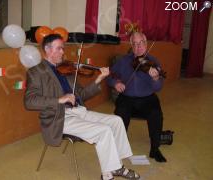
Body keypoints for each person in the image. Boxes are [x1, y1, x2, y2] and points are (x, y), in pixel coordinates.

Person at [24, 34, 140, 180]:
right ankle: (108, 174)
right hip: (59, 117)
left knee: (116, 121)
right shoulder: (36, 72)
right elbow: (29, 101)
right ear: (47, 49)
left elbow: (82, 95)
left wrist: (99, 78)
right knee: (103, 131)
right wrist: (59, 99)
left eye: (63, 49)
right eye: (59, 48)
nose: (62, 52)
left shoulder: (66, 69)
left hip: (79, 111)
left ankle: (116, 166)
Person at [107, 32, 167, 163]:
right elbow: (110, 75)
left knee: (156, 114)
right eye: (134, 44)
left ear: (146, 44)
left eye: (141, 43)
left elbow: (158, 88)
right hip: (127, 98)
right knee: (119, 115)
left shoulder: (153, 62)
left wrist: (156, 78)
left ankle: (155, 149)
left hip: (147, 98)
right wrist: (115, 83)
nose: (138, 47)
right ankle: (118, 148)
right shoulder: (123, 61)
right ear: (131, 45)